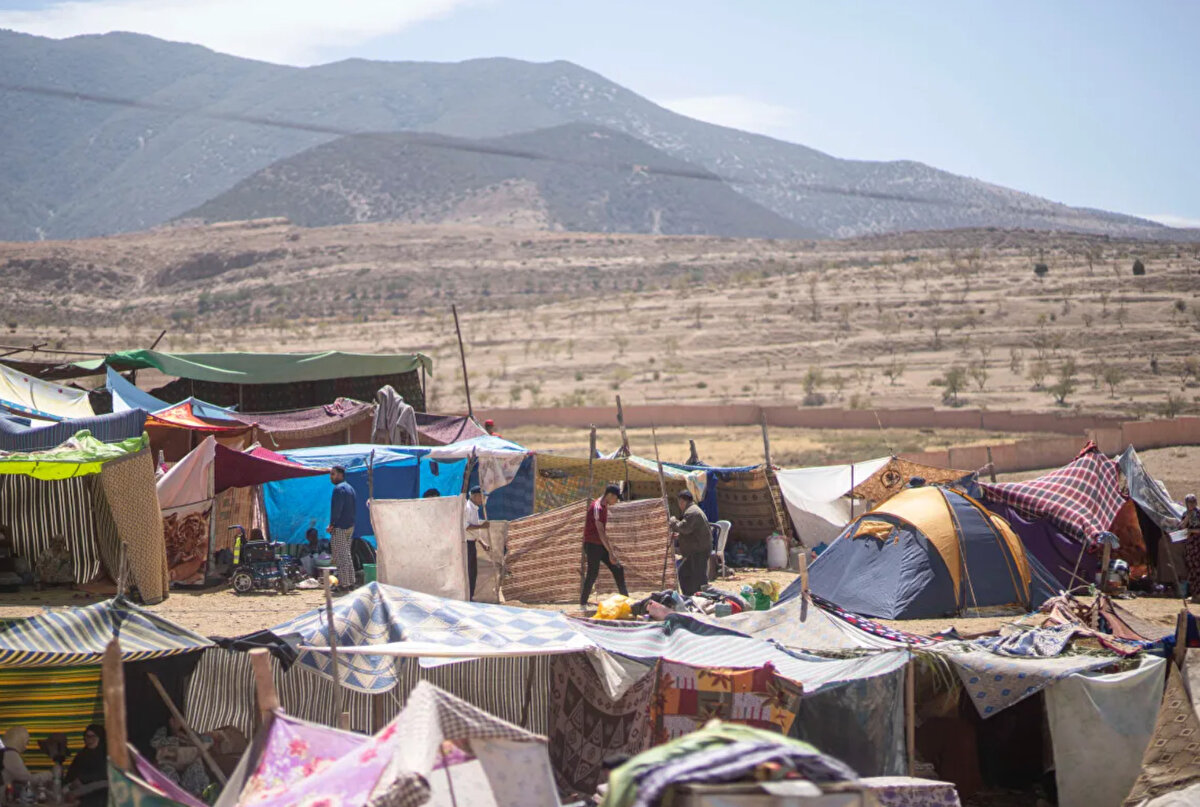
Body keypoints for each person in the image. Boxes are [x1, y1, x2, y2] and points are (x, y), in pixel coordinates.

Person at [580, 484, 628, 610]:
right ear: (609, 495)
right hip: (592, 544)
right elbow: (600, 531)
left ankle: (626, 599)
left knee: (618, 568)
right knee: (592, 573)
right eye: (616, 498)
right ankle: (583, 603)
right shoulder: (597, 507)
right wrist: (611, 552)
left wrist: (609, 551)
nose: (616, 501)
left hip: (600, 544)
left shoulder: (604, 506)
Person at [670, 489, 712, 597]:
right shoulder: (693, 510)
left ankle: (701, 597)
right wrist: (680, 536)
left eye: (679, 502)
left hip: (698, 550)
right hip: (696, 549)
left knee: (696, 577)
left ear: (682, 502)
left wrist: (673, 521)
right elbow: (691, 531)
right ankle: (692, 596)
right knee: (687, 574)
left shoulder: (691, 512)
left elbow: (685, 528)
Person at [326, 466, 357, 592]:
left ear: (341, 475)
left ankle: (344, 584)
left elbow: (337, 509)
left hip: (340, 527)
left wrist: (332, 524)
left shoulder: (338, 489)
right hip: (350, 526)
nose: (331, 477)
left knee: (340, 556)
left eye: (333, 474)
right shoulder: (350, 488)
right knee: (347, 555)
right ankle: (351, 582)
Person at [63, 725, 108, 807]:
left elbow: (105, 776)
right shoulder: (82, 755)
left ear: (100, 738)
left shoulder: (106, 755)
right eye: (87, 736)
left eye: (93, 736)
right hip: (77, 793)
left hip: (100, 796)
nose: (89, 740)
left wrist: (82, 780)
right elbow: (70, 776)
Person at [463, 486, 487, 600]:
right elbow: (466, 527)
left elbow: (475, 532)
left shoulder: (475, 509)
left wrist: (482, 542)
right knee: (468, 572)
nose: (483, 499)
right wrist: (481, 526)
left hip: (472, 543)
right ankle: (467, 596)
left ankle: (470, 596)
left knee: (473, 572)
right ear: (475, 496)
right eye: (481, 496)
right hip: (466, 544)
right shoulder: (467, 508)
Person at [1180, 493, 1200, 600]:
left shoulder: (1198, 514)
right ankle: (1195, 594)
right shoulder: (1185, 514)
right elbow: (1182, 527)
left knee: (1198, 569)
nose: (1191, 504)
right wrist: (1188, 517)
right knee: (1191, 569)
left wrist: (1191, 531)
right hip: (1189, 546)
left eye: (1193, 502)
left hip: (1198, 545)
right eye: (1189, 502)